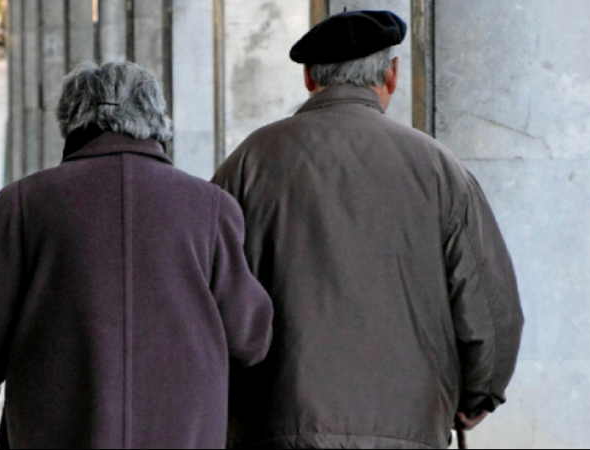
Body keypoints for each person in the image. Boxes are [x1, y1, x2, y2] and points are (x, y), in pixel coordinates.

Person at [212, 10, 525, 450]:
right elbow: (491, 310)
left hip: (276, 426)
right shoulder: (438, 169)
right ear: (393, 75)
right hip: (410, 426)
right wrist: (477, 396)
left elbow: (207, 293)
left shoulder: (249, 162)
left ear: (308, 77)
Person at [0, 62, 274, 449]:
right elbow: (249, 340)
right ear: (158, 120)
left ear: (70, 122)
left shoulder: (25, 203)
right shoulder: (211, 207)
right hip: (181, 432)